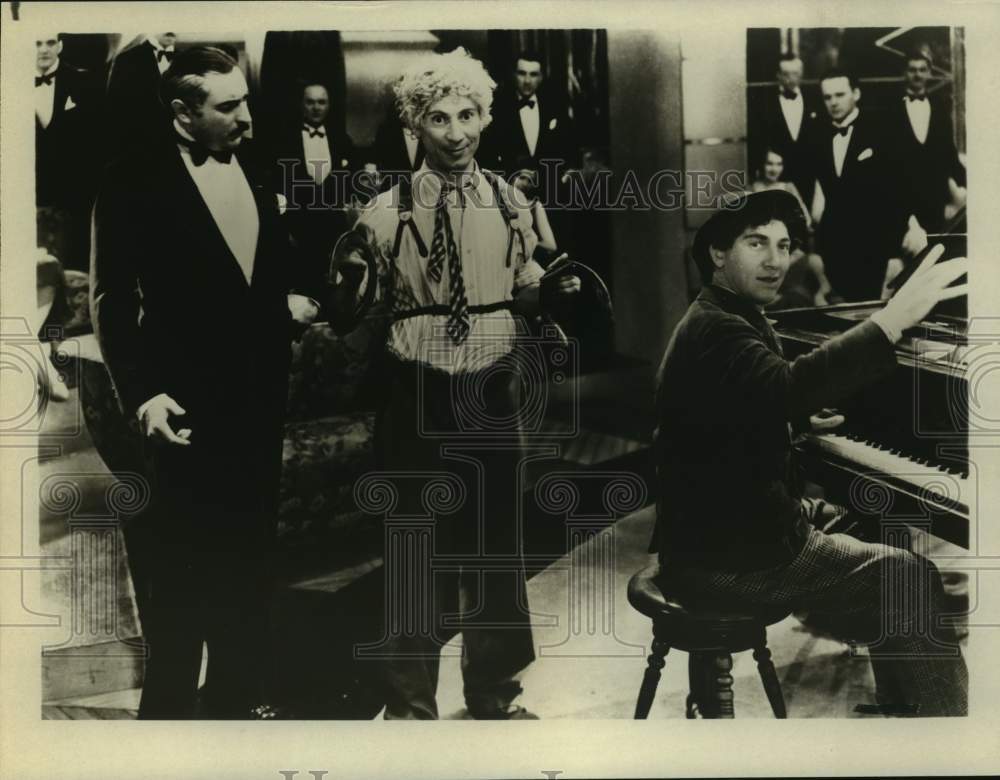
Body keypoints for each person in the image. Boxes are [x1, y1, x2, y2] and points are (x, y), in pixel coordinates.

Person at [328, 47, 581, 720]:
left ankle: (494, 689)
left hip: (494, 386)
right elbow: (351, 305)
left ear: (485, 116)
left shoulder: (514, 202)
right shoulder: (384, 210)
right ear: (415, 124)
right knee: (415, 546)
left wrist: (551, 293)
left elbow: (536, 283)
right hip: (417, 385)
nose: (456, 132)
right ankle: (410, 700)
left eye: (468, 115)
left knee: (498, 542)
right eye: (438, 118)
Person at [652, 188, 968, 717]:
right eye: (757, 243)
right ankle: (948, 732)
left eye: (784, 245)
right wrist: (890, 320)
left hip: (717, 530)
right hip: (734, 554)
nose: (776, 260)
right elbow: (791, 385)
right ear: (718, 253)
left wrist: (791, 419)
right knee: (912, 577)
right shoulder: (722, 330)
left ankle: (905, 702)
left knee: (873, 526)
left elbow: (750, 403)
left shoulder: (719, 315)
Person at [90, 46, 319, 719]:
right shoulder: (129, 179)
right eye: (228, 106)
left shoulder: (254, 168)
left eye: (244, 101)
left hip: (258, 398)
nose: (246, 117)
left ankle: (239, 702)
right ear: (183, 115)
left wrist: (287, 304)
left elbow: (252, 277)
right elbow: (109, 302)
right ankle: (164, 722)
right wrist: (143, 393)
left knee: (250, 555)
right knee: (184, 569)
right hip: (181, 406)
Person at [809, 68, 920, 302]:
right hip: (835, 247)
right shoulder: (817, 135)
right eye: (827, 97)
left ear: (856, 93)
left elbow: (899, 191)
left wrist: (894, 250)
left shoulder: (881, 129)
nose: (833, 103)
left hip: (875, 247)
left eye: (840, 95)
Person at [275, 82, 358, 289]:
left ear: (329, 105)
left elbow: (352, 180)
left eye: (321, 102)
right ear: (301, 105)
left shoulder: (341, 139)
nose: (316, 107)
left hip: (334, 227)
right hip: (299, 229)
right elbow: (279, 185)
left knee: (336, 284)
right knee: (305, 284)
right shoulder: (285, 140)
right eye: (310, 102)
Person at [35, 32, 99, 272]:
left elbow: (95, 142)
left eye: (50, 42)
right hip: (32, 196)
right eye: (37, 43)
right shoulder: (10, 79)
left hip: (74, 198)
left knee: (74, 269)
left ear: (60, 46)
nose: (44, 49)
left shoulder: (84, 81)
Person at [885, 50, 967, 234]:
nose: (917, 74)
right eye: (912, 70)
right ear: (904, 73)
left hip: (934, 195)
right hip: (902, 196)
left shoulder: (940, 107)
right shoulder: (890, 109)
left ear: (929, 72)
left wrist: (964, 181)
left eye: (922, 70)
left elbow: (948, 151)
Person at [750, 147, 833, 306]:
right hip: (762, 247)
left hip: (786, 245)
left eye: (778, 164)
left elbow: (805, 220)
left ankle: (823, 292)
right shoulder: (752, 190)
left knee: (813, 260)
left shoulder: (788, 187)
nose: (774, 169)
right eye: (769, 164)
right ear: (762, 165)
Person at [749, 53, 821, 207]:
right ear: (778, 76)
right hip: (777, 177)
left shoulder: (815, 100)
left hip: (808, 174)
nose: (791, 78)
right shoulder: (765, 104)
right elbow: (758, 141)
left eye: (795, 73)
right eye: (786, 74)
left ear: (801, 74)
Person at [106, 33, 178, 154]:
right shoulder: (127, 58)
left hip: (177, 145)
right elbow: (117, 108)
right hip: (139, 146)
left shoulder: (184, 58)